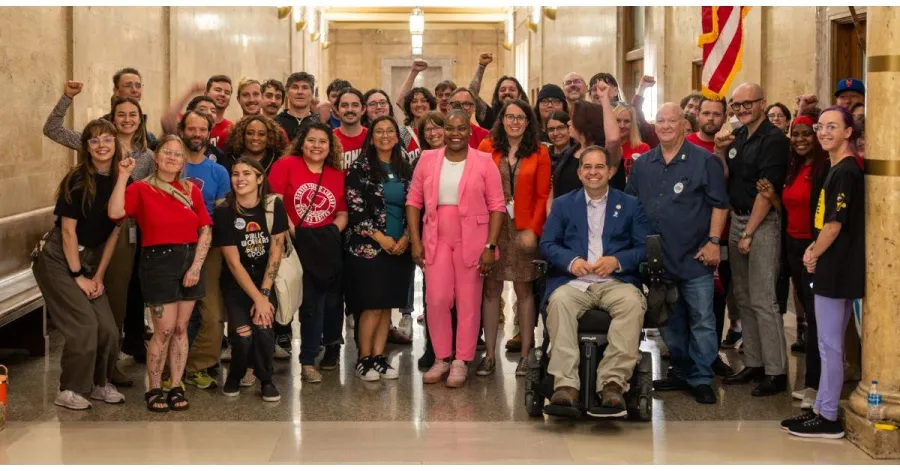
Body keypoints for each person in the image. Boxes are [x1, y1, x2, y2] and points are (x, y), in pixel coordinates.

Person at [44, 85, 155, 371]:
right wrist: (67, 97)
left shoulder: (148, 156)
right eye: (121, 114)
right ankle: (108, 364)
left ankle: (124, 349)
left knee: (126, 289)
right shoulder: (97, 142)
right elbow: (53, 129)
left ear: (140, 119)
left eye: (133, 115)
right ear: (113, 118)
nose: (127, 119)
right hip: (92, 230)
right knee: (110, 296)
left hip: (125, 229)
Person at [627, 102, 729, 405]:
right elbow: (632, 206)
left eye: (672, 121)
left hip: (695, 256)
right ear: (655, 126)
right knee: (669, 319)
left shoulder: (705, 161)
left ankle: (701, 377)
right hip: (658, 259)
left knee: (702, 319)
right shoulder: (644, 163)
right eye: (660, 121)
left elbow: (720, 204)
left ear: (685, 125)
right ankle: (681, 371)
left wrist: (713, 242)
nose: (666, 126)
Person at [540, 146, 651, 417]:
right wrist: (571, 260)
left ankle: (612, 384)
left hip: (616, 281)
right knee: (560, 303)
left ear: (610, 171)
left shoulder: (630, 205)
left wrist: (617, 261)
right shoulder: (564, 204)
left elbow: (645, 247)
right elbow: (547, 243)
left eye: (599, 167)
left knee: (632, 304)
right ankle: (566, 386)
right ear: (579, 173)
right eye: (587, 167)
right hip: (574, 282)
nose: (593, 172)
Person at [109, 135, 213, 413]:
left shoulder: (191, 190)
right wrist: (123, 176)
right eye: (166, 152)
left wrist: (196, 267)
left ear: (183, 162)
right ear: (156, 157)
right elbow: (116, 212)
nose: (171, 157)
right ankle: (154, 386)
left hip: (190, 260)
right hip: (158, 262)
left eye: (177, 154)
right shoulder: (141, 188)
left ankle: (176, 384)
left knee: (181, 328)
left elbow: (205, 228)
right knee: (164, 329)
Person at [781, 106, 864, 439]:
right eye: (821, 126)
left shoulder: (845, 170)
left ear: (848, 132)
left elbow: (833, 223)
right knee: (830, 342)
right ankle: (822, 409)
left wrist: (813, 252)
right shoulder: (834, 167)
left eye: (833, 126)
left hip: (837, 265)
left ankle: (827, 415)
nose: (824, 132)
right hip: (834, 263)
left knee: (829, 344)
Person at [406, 109, 505, 388]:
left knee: (468, 301)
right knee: (436, 299)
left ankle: (462, 360)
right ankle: (442, 358)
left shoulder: (484, 161)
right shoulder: (428, 159)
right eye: (450, 128)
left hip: (473, 239)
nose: (455, 134)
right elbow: (413, 201)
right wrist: (416, 240)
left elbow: (497, 207)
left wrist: (490, 245)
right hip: (436, 236)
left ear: (469, 131)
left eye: (461, 128)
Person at [32, 119, 127, 411]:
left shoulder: (122, 180)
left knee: (109, 330)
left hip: (90, 261)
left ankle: (100, 384)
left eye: (107, 140)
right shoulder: (77, 180)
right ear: (86, 147)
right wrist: (78, 276)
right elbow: (68, 232)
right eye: (95, 140)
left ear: (116, 144)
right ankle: (70, 389)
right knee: (84, 325)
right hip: (59, 259)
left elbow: (114, 233)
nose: (102, 146)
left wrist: (97, 276)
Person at [717, 83, 791, 397]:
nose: (741, 108)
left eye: (747, 103)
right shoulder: (739, 136)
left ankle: (776, 372)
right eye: (736, 104)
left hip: (761, 222)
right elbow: (726, 178)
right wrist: (721, 152)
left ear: (762, 102)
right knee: (744, 297)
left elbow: (766, 189)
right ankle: (755, 363)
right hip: (737, 217)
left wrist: (749, 233)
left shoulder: (773, 139)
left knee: (763, 299)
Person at [268, 122, 347, 383]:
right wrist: (294, 233)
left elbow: (343, 212)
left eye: (322, 142)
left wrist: (331, 233)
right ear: (302, 143)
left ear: (330, 146)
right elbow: (275, 201)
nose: (316, 146)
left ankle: (309, 358)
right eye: (311, 140)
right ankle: (269, 357)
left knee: (321, 303)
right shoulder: (286, 165)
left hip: (325, 246)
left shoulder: (336, 173)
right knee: (294, 300)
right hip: (292, 244)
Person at [757, 114, 827, 410]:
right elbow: (789, 208)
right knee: (808, 314)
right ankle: (812, 383)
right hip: (792, 247)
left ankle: (816, 385)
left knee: (817, 317)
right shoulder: (793, 169)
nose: (800, 139)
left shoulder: (824, 170)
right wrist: (773, 199)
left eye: (806, 134)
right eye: (795, 134)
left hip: (815, 249)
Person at [478, 99, 551, 376]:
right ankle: (489, 357)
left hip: (524, 231)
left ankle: (525, 356)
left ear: (528, 121)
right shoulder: (486, 148)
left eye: (521, 117)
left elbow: (543, 195)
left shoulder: (540, 152)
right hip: (493, 228)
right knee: (491, 290)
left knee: (524, 291)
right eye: (510, 117)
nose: (515, 122)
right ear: (502, 119)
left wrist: (533, 229)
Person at [344, 116, 415, 381]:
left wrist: (407, 236)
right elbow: (355, 208)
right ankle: (363, 359)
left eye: (390, 131)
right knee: (372, 305)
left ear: (397, 137)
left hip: (400, 248)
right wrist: (380, 238)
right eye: (379, 131)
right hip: (368, 248)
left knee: (387, 306)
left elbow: (415, 205)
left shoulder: (405, 167)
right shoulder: (360, 168)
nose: (385, 135)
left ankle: (378, 357)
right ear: (371, 138)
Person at [214, 157, 285, 402]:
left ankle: (266, 379)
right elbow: (232, 262)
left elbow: (277, 249)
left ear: (259, 178)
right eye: (235, 174)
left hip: (265, 278)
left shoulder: (274, 204)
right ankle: (235, 374)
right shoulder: (223, 209)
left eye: (247, 173)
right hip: (236, 283)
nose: (240, 178)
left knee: (264, 330)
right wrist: (257, 298)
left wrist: (264, 294)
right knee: (243, 336)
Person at [686, 97, 740, 369]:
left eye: (716, 114)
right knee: (690, 297)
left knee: (718, 295)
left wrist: (721, 152)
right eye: (705, 113)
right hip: (691, 232)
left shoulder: (732, 146)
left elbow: (724, 182)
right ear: (697, 115)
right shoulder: (687, 145)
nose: (710, 119)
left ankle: (712, 352)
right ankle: (687, 354)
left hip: (722, 231)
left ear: (724, 117)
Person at [178, 111, 230, 390]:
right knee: (174, 315)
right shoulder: (171, 165)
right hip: (171, 246)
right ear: (182, 130)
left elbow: (222, 212)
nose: (197, 134)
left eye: (202, 130)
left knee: (212, 315)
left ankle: (194, 365)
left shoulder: (218, 172)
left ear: (209, 133)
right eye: (191, 129)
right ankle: (168, 369)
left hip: (207, 246)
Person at [552, 84, 623, 197]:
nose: (569, 123)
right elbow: (554, 189)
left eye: (572, 119)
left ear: (584, 123)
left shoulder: (604, 152)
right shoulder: (568, 153)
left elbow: (613, 139)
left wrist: (605, 99)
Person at [220, 115, 288, 174]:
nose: (255, 138)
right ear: (242, 135)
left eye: (261, 134)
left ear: (269, 136)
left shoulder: (278, 159)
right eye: (250, 133)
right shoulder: (230, 158)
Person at [276, 72, 320, 142]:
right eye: (295, 87)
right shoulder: (276, 123)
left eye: (305, 88)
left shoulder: (320, 123)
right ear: (287, 93)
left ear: (312, 94)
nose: (300, 92)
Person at [334, 87, 369, 170]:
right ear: (336, 110)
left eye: (355, 105)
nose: (350, 109)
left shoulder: (372, 137)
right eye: (344, 105)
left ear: (363, 109)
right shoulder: (329, 139)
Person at [614, 104, 651, 180]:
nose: (622, 125)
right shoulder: (606, 147)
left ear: (633, 124)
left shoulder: (643, 148)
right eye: (618, 120)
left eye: (626, 121)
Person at [206, 75, 234, 151]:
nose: (222, 94)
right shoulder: (191, 122)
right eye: (218, 90)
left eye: (227, 92)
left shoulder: (232, 129)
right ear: (206, 94)